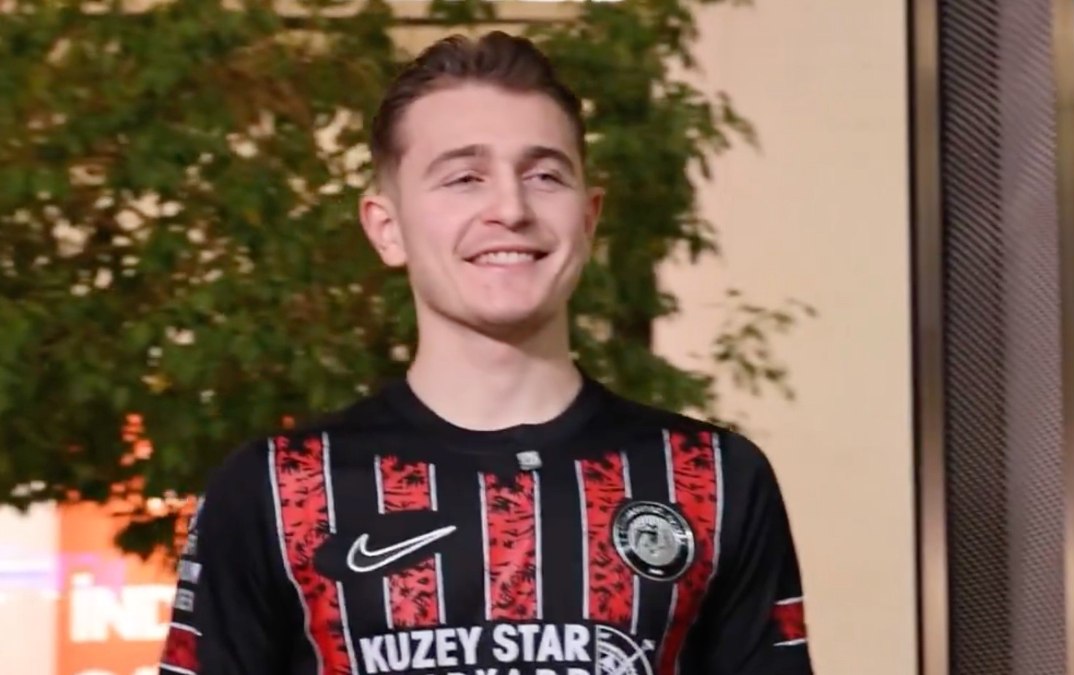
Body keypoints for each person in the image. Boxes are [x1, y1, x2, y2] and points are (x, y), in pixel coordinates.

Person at [159, 31, 813, 675]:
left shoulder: (711, 477)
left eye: (544, 175)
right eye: (465, 177)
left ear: (588, 219)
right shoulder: (278, 488)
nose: (511, 208)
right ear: (387, 228)